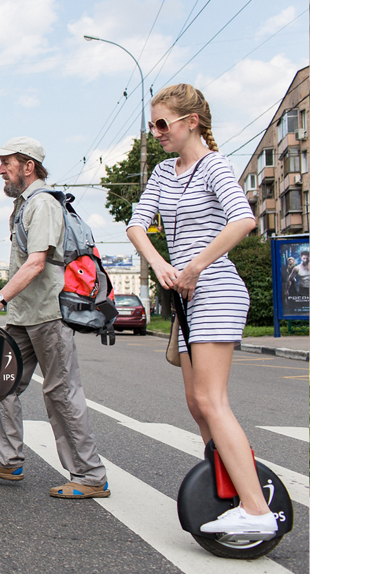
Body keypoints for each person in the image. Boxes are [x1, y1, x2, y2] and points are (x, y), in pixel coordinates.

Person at [126, 83, 275, 536]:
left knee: (212, 400)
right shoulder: (164, 173)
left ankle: (256, 510)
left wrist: (194, 266)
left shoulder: (214, 166)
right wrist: (161, 264)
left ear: (191, 122)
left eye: (162, 124)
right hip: (187, 295)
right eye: (152, 125)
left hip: (216, 289)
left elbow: (244, 219)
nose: (156, 133)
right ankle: (225, 483)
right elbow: (136, 223)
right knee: (195, 403)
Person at [0, 137, 110, 499]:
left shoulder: (43, 204)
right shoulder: (24, 205)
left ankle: (90, 475)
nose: (1, 170)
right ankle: (6, 459)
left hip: (48, 314)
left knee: (60, 392)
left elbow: (36, 263)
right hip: (23, 315)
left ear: (28, 166)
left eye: (6, 163)